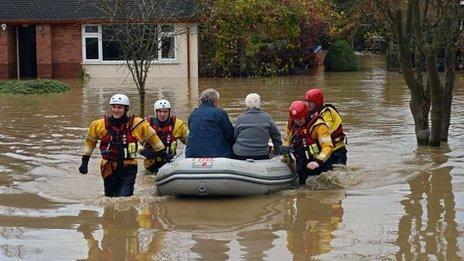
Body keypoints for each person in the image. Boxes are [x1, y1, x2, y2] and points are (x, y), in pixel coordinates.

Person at [78, 94, 167, 197]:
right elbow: (90, 142)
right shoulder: (98, 125)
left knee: (125, 197)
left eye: (119, 107)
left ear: (126, 109)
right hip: (108, 166)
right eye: (114, 107)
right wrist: (85, 161)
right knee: (110, 197)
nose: (116, 110)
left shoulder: (138, 124)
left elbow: (153, 137)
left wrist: (163, 153)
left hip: (129, 166)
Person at [283, 101, 334, 185]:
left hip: (320, 164)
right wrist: (287, 157)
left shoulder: (318, 125)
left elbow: (328, 146)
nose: (298, 121)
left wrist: (317, 161)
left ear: (305, 115)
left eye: (300, 118)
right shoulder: (291, 124)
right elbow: (287, 140)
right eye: (295, 119)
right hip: (302, 163)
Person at [140, 99, 189, 173]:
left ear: (169, 112)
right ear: (156, 112)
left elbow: (189, 140)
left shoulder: (178, 125)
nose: (162, 114)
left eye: (165, 111)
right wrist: (143, 151)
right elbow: (134, 142)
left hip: (170, 162)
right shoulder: (147, 125)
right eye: (160, 111)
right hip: (152, 164)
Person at [185, 88, 234, 158]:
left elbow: (192, 132)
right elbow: (230, 135)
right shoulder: (219, 113)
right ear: (215, 101)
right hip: (217, 154)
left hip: (192, 154)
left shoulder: (193, 114)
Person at [232, 93, 282, 160]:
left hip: (240, 154)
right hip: (261, 154)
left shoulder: (240, 118)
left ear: (246, 104)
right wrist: (277, 152)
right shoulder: (267, 117)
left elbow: (235, 136)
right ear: (259, 103)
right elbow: (276, 136)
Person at [304, 88, 347, 165]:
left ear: (317, 102)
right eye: (307, 101)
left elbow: (325, 131)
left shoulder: (327, 112)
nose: (308, 104)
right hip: (327, 149)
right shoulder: (314, 113)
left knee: (338, 172)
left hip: (337, 150)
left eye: (311, 102)